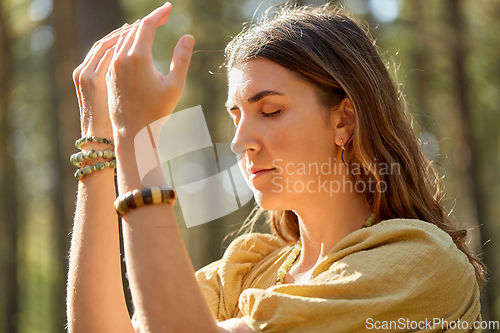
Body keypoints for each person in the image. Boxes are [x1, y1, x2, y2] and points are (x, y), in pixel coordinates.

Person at [66, 2, 486, 332]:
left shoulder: (420, 262)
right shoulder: (249, 269)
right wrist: (101, 142)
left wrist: (136, 134)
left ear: (344, 120)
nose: (239, 141)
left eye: (270, 111)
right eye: (236, 116)